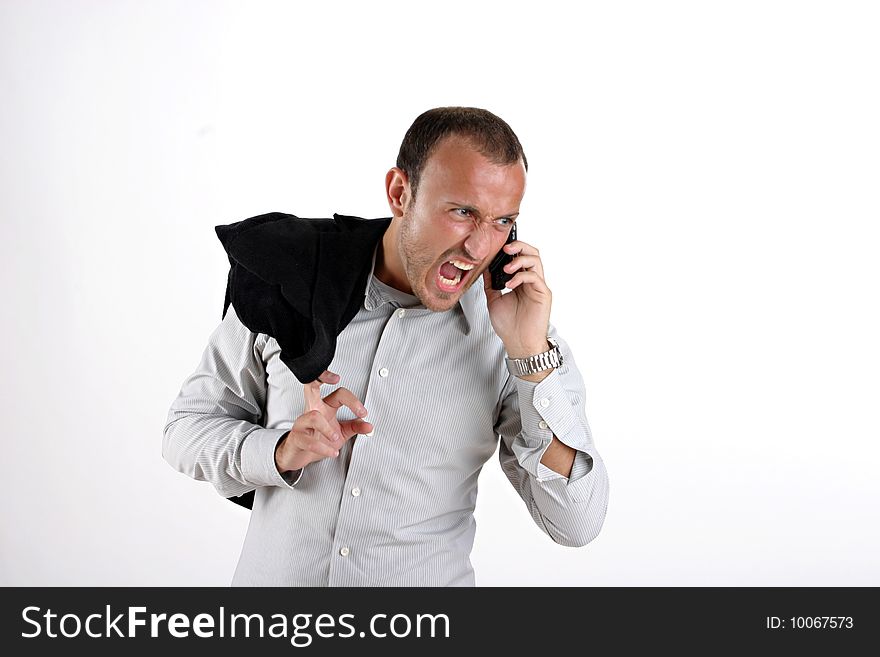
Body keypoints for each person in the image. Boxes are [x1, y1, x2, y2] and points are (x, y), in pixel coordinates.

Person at [163, 107, 609, 586]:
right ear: (401, 193)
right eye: (463, 212)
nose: (480, 249)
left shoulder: (517, 339)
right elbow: (184, 430)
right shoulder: (287, 287)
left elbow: (576, 522)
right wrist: (280, 451)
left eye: (502, 221)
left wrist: (530, 357)